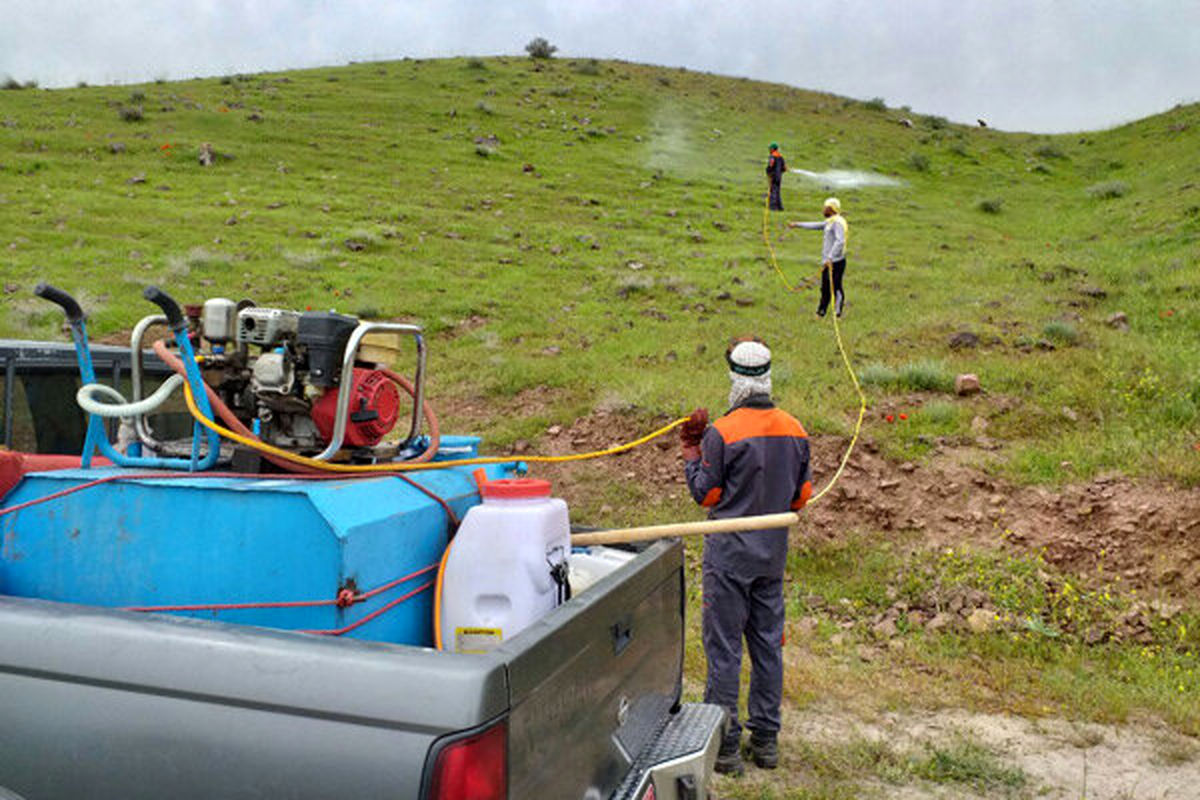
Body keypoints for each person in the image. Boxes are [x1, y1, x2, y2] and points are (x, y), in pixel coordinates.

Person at [679, 337, 813, 775]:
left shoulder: (723, 432)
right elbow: (801, 499)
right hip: (771, 557)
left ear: (734, 378)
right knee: (767, 645)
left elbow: (706, 494)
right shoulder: (796, 429)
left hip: (729, 558)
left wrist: (691, 453)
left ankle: (726, 747)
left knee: (723, 651)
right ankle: (767, 742)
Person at [788, 197, 849, 317]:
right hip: (827, 262)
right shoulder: (830, 221)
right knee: (825, 288)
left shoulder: (837, 223)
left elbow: (840, 241)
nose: (823, 209)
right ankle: (821, 312)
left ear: (831, 209)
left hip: (836, 262)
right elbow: (816, 225)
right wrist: (797, 225)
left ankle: (838, 313)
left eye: (825, 207)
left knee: (836, 287)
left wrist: (830, 257)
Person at [765, 143, 786, 211]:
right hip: (779, 177)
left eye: (770, 148)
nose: (769, 150)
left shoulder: (772, 156)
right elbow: (784, 168)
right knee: (777, 191)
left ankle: (773, 207)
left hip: (773, 176)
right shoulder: (780, 157)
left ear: (772, 149)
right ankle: (780, 207)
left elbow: (771, 164)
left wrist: (768, 171)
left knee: (773, 191)